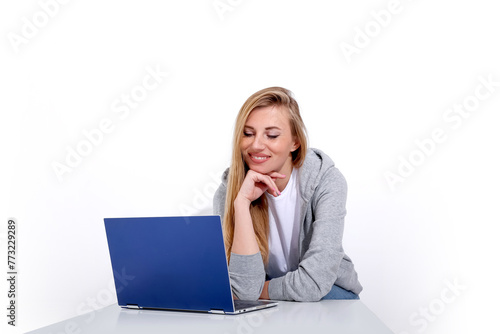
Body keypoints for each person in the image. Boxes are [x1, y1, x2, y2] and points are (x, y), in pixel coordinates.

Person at [213, 87, 362, 302]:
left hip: (328, 293)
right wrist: (242, 204)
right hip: (272, 300)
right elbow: (242, 290)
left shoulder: (326, 181)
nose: (255, 145)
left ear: (295, 142)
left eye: (271, 135)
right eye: (248, 133)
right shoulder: (229, 192)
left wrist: (258, 292)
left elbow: (312, 283)